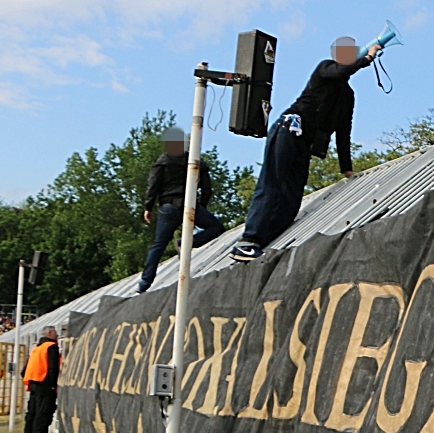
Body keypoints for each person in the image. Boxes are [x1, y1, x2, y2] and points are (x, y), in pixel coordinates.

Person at [230, 37, 382, 262]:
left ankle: (264, 242)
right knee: (272, 183)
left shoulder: (348, 95)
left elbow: (343, 131)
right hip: (288, 129)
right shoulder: (325, 69)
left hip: (303, 142)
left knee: (292, 198)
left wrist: (346, 169)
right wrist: (367, 57)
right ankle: (248, 240)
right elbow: (340, 72)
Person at [137, 126, 222, 293]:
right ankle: (187, 243)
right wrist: (200, 208)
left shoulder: (162, 162)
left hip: (169, 207)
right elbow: (207, 189)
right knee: (216, 228)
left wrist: (148, 207)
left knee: (158, 246)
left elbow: (152, 186)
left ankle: (144, 284)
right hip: (189, 204)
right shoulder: (195, 161)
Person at [22, 327, 60, 433]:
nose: (58, 335)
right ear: (49, 334)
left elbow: (24, 370)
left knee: (32, 415)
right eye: (55, 333)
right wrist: (54, 385)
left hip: (33, 383)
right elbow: (53, 368)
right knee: (43, 414)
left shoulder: (36, 349)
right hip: (45, 384)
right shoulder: (51, 347)